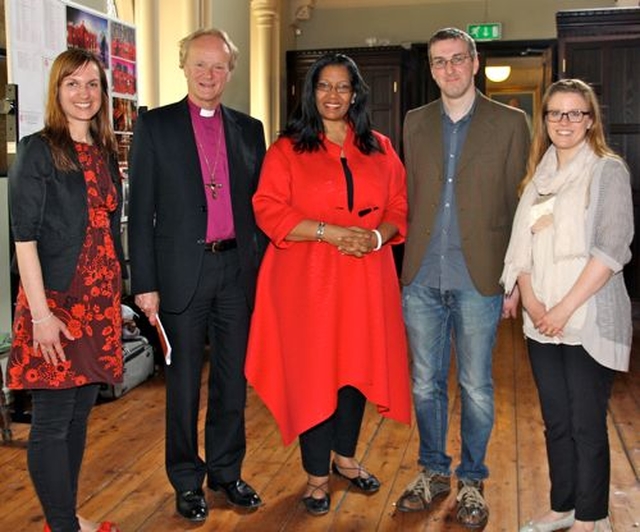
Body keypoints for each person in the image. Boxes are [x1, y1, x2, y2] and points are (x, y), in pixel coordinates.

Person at [245, 53, 412, 516]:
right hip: (306, 282)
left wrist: (378, 235)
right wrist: (330, 232)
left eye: (343, 87)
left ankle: (346, 458)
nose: (334, 95)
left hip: (365, 276)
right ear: (310, 93)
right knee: (314, 371)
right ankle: (317, 475)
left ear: (356, 94)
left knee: (356, 369)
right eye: (324, 87)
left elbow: (399, 206)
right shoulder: (287, 148)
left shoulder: (379, 146)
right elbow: (267, 208)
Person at [127, 28, 266, 522]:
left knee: (232, 381)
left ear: (231, 70)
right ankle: (187, 480)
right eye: (200, 65)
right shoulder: (155, 127)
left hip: (236, 270)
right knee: (183, 384)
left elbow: (260, 210)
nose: (210, 75)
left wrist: (263, 273)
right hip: (181, 272)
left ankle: (226, 472)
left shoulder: (250, 129)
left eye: (219, 66)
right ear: (184, 67)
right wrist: (144, 282)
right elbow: (140, 211)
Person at [397, 27, 530, 527]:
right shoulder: (414, 122)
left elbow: (520, 205)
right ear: (430, 68)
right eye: (439, 62)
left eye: (458, 59)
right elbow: (407, 193)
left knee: (476, 385)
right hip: (422, 276)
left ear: (475, 63)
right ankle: (432, 470)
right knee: (425, 383)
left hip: (481, 277)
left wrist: (514, 278)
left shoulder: (512, 123)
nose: (449, 69)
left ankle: (472, 479)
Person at [502, 79, 633, 532]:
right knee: (555, 421)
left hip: (587, 316)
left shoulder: (606, 171)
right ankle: (563, 506)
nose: (565, 121)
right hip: (541, 321)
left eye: (575, 113)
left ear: (591, 120)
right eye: (556, 113)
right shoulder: (539, 177)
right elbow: (523, 249)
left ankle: (591, 517)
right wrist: (535, 303)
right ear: (545, 121)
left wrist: (561, 310)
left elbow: (610, 251)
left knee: (585, 423)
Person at [7, 49, 124, 532]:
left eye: (93, 84)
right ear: (56, 91)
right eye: (72, 84)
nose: (84, 94)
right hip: (55, 303)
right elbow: (23, 238)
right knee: (53, 422)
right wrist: (41, 316)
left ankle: (67, 516)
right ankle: (63, 525)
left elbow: (107, 230)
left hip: (98, 304)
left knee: (79, 417)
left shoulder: (103, 152)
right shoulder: (38, 150)